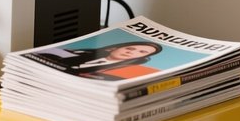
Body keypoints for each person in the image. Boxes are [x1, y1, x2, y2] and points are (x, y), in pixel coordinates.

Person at [31, 41, 163, 78]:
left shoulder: (116, 74)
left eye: (141, 52)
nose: (130, 52)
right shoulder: (72, 53)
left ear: (141, 58)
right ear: (113, 48)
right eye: (130, 48)